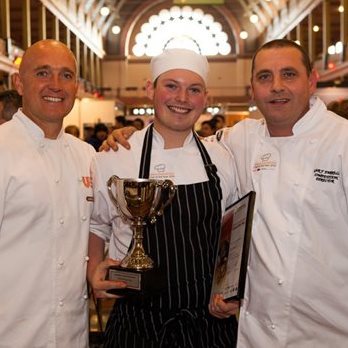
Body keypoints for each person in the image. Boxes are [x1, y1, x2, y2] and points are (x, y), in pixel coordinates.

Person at [103, 39, 348, 347]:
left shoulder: (342, 141)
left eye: (288, 74)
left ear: (312, 80)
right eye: (264, 77)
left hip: (330, 325)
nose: (276, 87)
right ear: (252, 88)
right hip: (255, 327)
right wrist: (130, 138)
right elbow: (183, 143)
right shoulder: (239, 140)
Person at [88, 48, 240, 347]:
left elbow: (230, 232)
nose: (182, 98)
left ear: (205, 98)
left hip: (207, 323)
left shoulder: (221, 157)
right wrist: (93, 270)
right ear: (150, 89)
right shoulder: (116, 155)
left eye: (193, 89)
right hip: (135, 322)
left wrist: (232, 292)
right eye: (171, 85)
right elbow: (97, 224)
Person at [0, 39, 95, 347]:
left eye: (66, 75)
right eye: (43, 73)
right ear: (19, 83)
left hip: (72, 334)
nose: (56, 85)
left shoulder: (88, 156)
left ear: (76, 87)